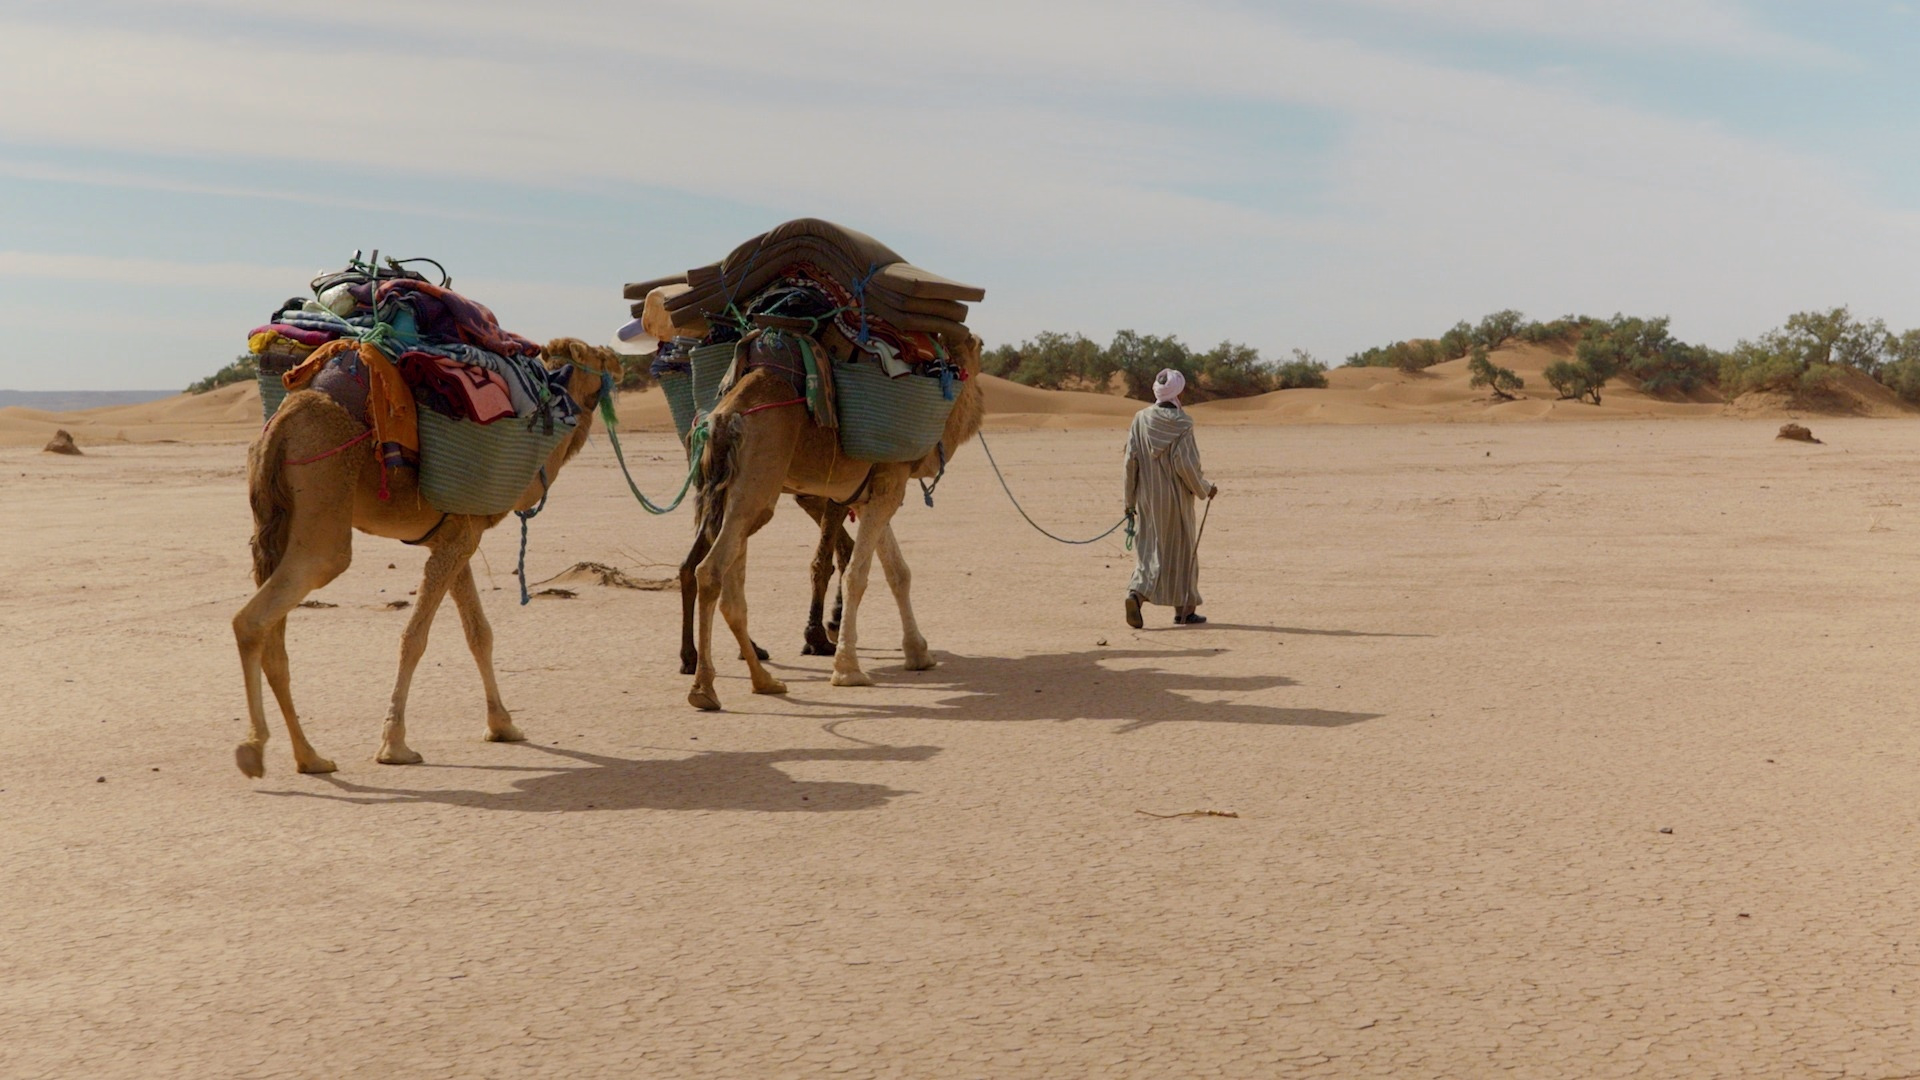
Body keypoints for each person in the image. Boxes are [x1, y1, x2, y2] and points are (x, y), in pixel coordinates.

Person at [1123, 368, 1217, 628]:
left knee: (1149, 549)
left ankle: (1136, 594)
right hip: (1175, 501)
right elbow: (1186, 466)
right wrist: (1205, 488)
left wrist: (1129, 502)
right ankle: (1185, 610)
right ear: (1179, 392)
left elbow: (1130, 463)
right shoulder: (1182, 423)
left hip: (1147, 499)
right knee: (1182, 551)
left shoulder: (1139, 420)